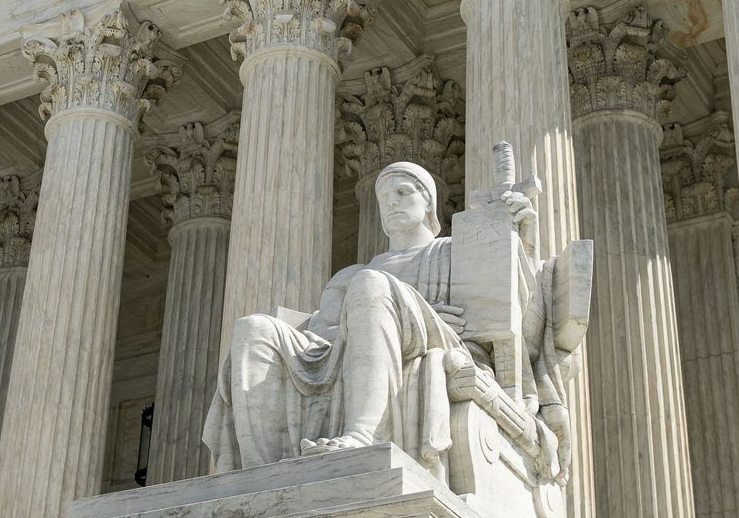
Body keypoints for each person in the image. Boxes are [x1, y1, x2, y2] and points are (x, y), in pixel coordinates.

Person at [204, 158, 580, 482]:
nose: (391, 203)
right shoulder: (349, 276)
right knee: (252, 328)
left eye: (403, 192)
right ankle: (258, 469)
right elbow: (321, 335)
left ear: (428, 201)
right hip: (351, 347)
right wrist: (373, 317)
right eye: (384, 197)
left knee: (372, 286)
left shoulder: (455, 253)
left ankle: (361, 433)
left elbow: (519, 322)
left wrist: (521, 241)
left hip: (444, 344)